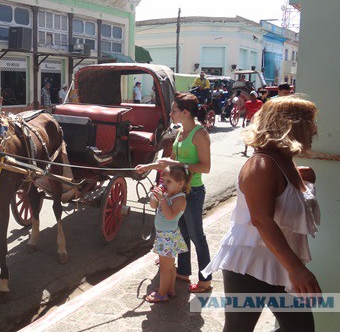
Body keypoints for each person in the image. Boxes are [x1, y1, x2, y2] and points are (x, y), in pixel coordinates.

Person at [202, 96, 321, 331]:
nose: (314, 129)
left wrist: (307, 182)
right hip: (251, 262)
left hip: (283, 261)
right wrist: (297, 269)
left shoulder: (285, 163)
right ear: (290, 125)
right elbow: (261, 220)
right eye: (310, 122)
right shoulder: (261, 165)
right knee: (239, 328)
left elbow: (288, 205)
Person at [136, 92, 212, 293]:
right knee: (182, 233)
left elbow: (205, 167)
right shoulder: (180, 133)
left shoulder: (200, 133)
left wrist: (177, 163)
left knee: (197, 236)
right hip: (178, 192)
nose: (170, 114)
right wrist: (148, 166)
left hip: (193, 191)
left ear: (185, 112)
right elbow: (168, 163)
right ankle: (184, 272)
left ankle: (206, 279)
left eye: (174, 110)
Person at [144, 165, 191, 303]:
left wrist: (163, 199)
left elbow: (170, 216)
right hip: (164, 235)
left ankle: (161, 293)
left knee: (165, 268)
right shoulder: (167, 194)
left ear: (180, 184)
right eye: (163, 181)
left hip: (168, 237)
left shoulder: (180, 199)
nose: (164, 184)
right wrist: (154, 195)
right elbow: (153, 205)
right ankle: (170, 289)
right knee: (170, 266)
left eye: (169, 182)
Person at [242, 91, 263, 155]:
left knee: (255, 135)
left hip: (256, 121)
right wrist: (243, 121)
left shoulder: (260, 103)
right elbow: (246, 112)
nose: (251, 97)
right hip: (249, 120)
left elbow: (261, 112)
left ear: (256, 96)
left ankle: (255, 150)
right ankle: (245, 150)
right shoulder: (247, 103)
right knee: (247, 135)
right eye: (250, 96)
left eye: (253, 96)